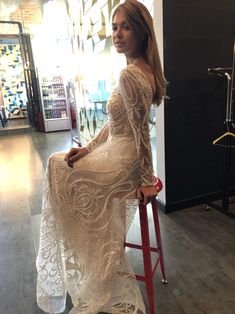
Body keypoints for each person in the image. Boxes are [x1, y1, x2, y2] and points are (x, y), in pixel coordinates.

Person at [36, 0, 166, 313]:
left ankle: (92, 263)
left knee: (56, 165)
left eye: (126, 26)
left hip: (126, 158)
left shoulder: (131, 76)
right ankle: (93, 258)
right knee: (62, 163)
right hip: (119, 150)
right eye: (115, 27)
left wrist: (146, 181)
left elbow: (140, 134)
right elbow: (114, 123)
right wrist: (89, 148)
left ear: (143, 32)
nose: (117, 34)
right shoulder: (138, 70)